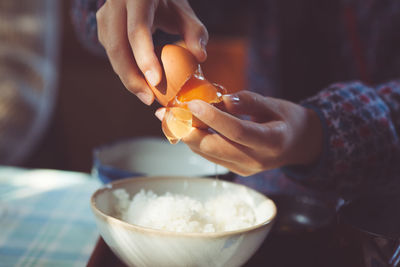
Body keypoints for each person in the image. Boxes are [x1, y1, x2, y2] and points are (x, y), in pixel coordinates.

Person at [72, 0, 400, 200]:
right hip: (268, 193)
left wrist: (321, 133)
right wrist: (118, 10)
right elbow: (96, 19)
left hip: (386, 213)